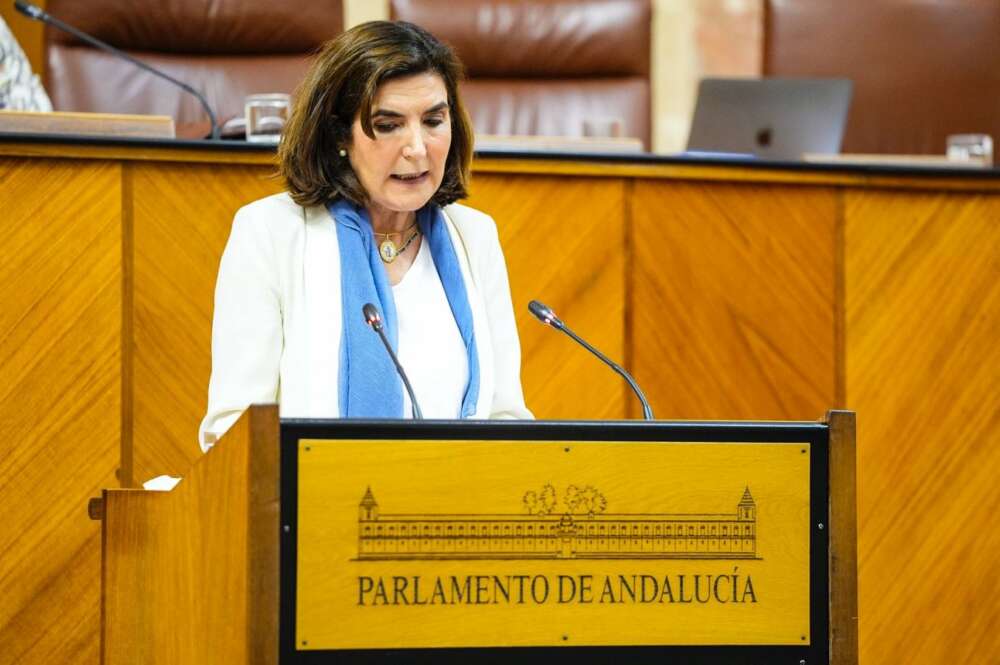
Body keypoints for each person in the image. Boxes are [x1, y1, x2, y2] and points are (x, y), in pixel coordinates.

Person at [199, 21, 532, 450]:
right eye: (388, 124)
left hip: (454, 505)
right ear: (340, 135)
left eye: (433, 120)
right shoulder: (270, 232)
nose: (417, 147)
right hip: (313, 507)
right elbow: (234, 426)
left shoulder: (475, 236)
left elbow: (505, 416)